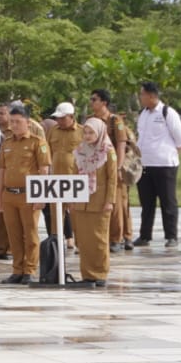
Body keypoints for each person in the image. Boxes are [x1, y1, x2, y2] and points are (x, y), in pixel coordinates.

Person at [0, 106, 51, 284]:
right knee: (14, 235)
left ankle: (30, 269)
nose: (14, 125)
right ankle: (17, 269)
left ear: (28, 122)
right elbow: (2, 172)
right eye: (12, 122)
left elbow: (44, 170)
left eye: (18, 122)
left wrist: (42, 196)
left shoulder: (37, 142)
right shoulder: (7, 143)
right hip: (9, 195)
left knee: (30, 234)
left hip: (29, 195)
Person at [134, 81, 181, 247]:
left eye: (142, 94)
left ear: (151, 96)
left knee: (168, 202)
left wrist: (171, 158)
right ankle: (145, 236)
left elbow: (180, 140)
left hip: (164, 165)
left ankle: (171, 236)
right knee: (147, 203)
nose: (140, 98)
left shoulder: (167, 113)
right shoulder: (143, 114)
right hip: (145, 165)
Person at [70, 117, 120, 283]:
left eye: (91, 132)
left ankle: (100, 274)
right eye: (85, 132)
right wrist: (71, 197)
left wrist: (110, 201)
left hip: (100, 203)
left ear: (100, 132)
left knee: (99, 239)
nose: (88, 135)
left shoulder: (107, 152)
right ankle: (87, 275)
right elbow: (74, 175)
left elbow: (112, 179)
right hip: (81, 202)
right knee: (84, 241)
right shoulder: (80, 150)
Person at [87, 90, 134, 252]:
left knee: (118, 203)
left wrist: (119, 168)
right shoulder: (90, 121)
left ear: (104, 102)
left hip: (113, 165)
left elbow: (121, 145)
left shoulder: (115, 121)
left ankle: (119, 237)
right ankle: (115, 236)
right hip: (97, 168)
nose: (91, 103)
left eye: (94, 99)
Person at [45, 102, 81, 244]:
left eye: (62, 118)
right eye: (57, 118)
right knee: (56, 214)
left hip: (74, 179)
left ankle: (79, 243)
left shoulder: (82, 131)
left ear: (71, 116)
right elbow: (47, 152)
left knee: (75, 213)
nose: (59, 120)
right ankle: (56, 243)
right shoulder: (53, 130)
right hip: (55, 179)